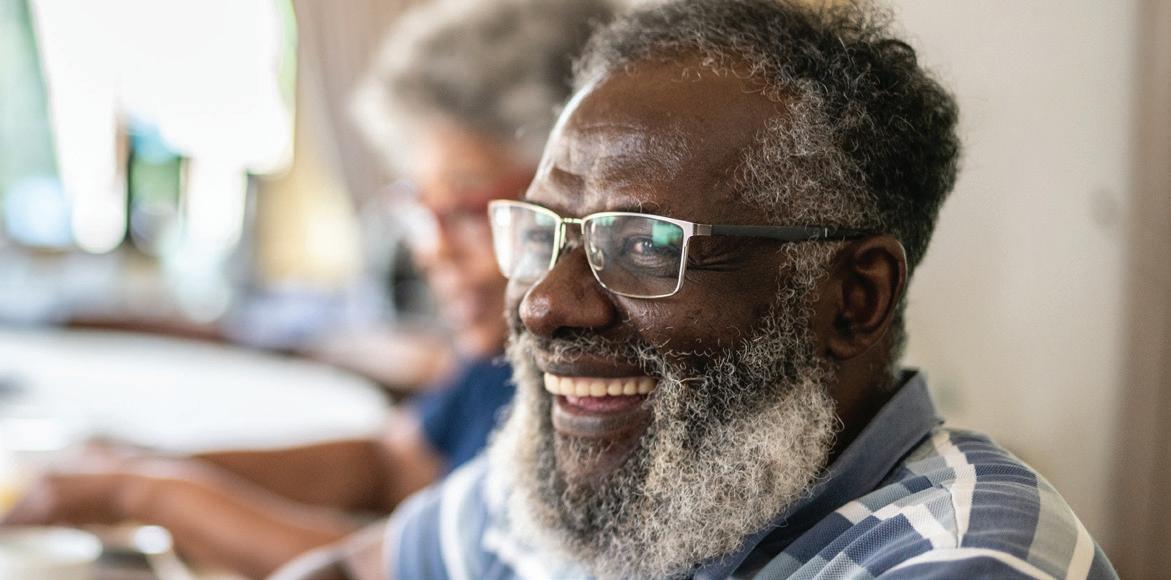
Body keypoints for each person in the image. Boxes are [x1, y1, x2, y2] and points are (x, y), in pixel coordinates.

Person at [385, 1, 1120, 578]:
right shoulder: (607, 480)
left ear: (854, 299)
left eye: (642, 244)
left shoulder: (963, 556)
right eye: (541, 232)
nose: (543, 304)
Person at [1, 0, 614, 577]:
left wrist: (142, 492)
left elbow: (404, 565)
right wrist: (144, 465)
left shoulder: (583, 385)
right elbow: (390, 463)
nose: (431, 248)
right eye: (418, 208)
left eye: (466, 208)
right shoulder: (491, 365)